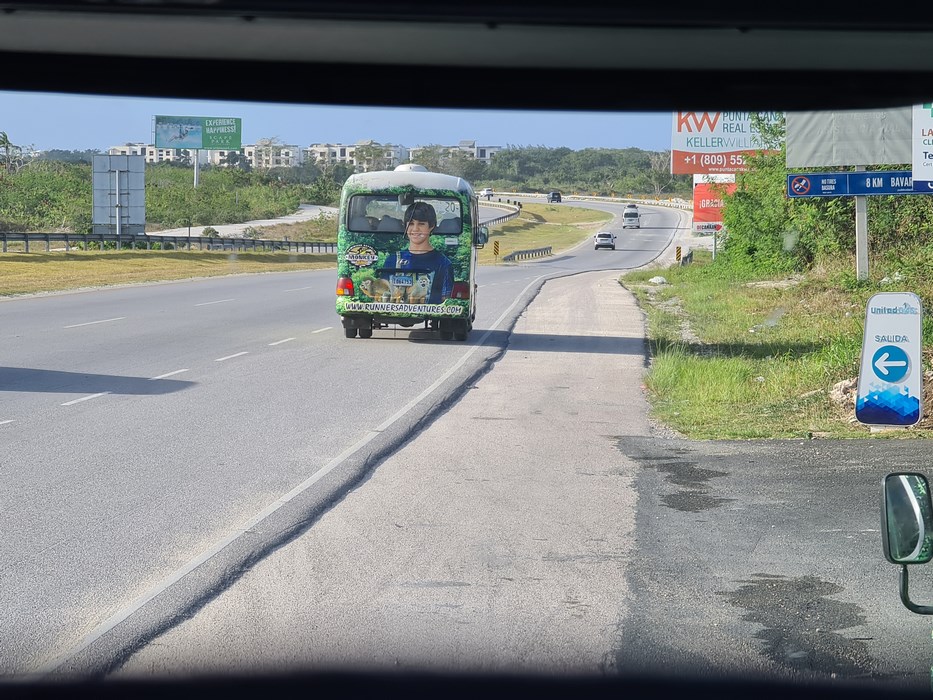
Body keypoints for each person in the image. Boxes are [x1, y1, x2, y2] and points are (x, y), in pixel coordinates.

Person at [380, 201, 454, 304]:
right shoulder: (392, 260)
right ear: (405, 226)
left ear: (431, 226)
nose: (415, 229)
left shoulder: (443, 263)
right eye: (411, 224)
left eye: (421, 224)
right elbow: (383, 294)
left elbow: (446, 301)